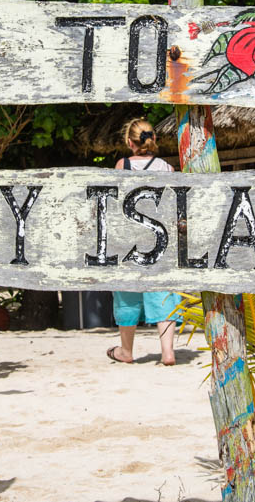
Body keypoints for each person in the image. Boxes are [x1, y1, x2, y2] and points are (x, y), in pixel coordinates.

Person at [105, 118, 181, 366]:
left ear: (129, 142)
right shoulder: (168, 169)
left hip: (129, 240)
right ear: (154, 139)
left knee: (126, 295)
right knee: (163, 293)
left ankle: (126, 351)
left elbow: (114, 204)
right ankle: (167, 352)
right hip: (161, 239)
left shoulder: (122, 165)